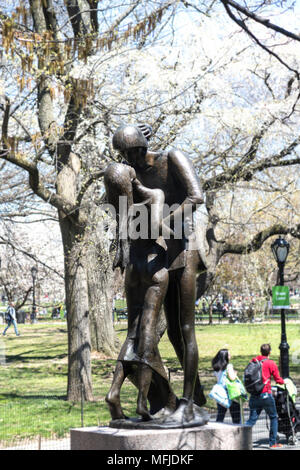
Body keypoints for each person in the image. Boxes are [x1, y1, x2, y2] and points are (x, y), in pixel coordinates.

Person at [105, 124, 207, 425]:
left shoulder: (171, 157)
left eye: (133, 152)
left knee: (184, 328)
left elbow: (195, 197)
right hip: (156, 252)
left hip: (183, 247)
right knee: (166, 331)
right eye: (125, 155)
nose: (130, 159)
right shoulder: (133, 174)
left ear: (142, 147)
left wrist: (162, 222)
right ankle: (172, 399)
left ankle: (189, 403)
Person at [245, 343, 285, 449]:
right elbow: (278, 379)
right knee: (273, 417)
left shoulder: (254, 361)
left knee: (251, 420)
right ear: (270, 352)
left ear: (260, 351)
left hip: (254, 395)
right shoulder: (270, 363)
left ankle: (240, 440)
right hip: (265, 394)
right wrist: (283, 382)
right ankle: (272, 443)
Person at [212, 348, 241, 424]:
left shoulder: (216, 368)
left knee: (220, 416)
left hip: (220, 393)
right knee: (236, 417)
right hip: (231, 393)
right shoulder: (229, 366)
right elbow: (232, 378)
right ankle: (238, 433)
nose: (230, 355)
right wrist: (235, 374)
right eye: (228, 354)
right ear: (225, 356)